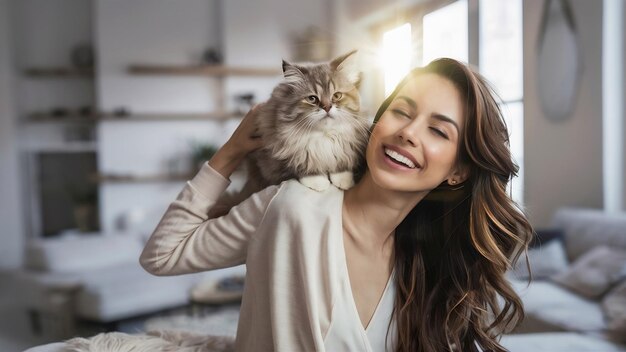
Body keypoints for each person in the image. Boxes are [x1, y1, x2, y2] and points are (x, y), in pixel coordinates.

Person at [139, 58, 533, 352]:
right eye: (401, 111)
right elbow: (162, 256)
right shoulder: (292, 206)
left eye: (437, 130)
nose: (408, 133)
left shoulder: (424, 266)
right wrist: (231, 152)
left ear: (458, 173)